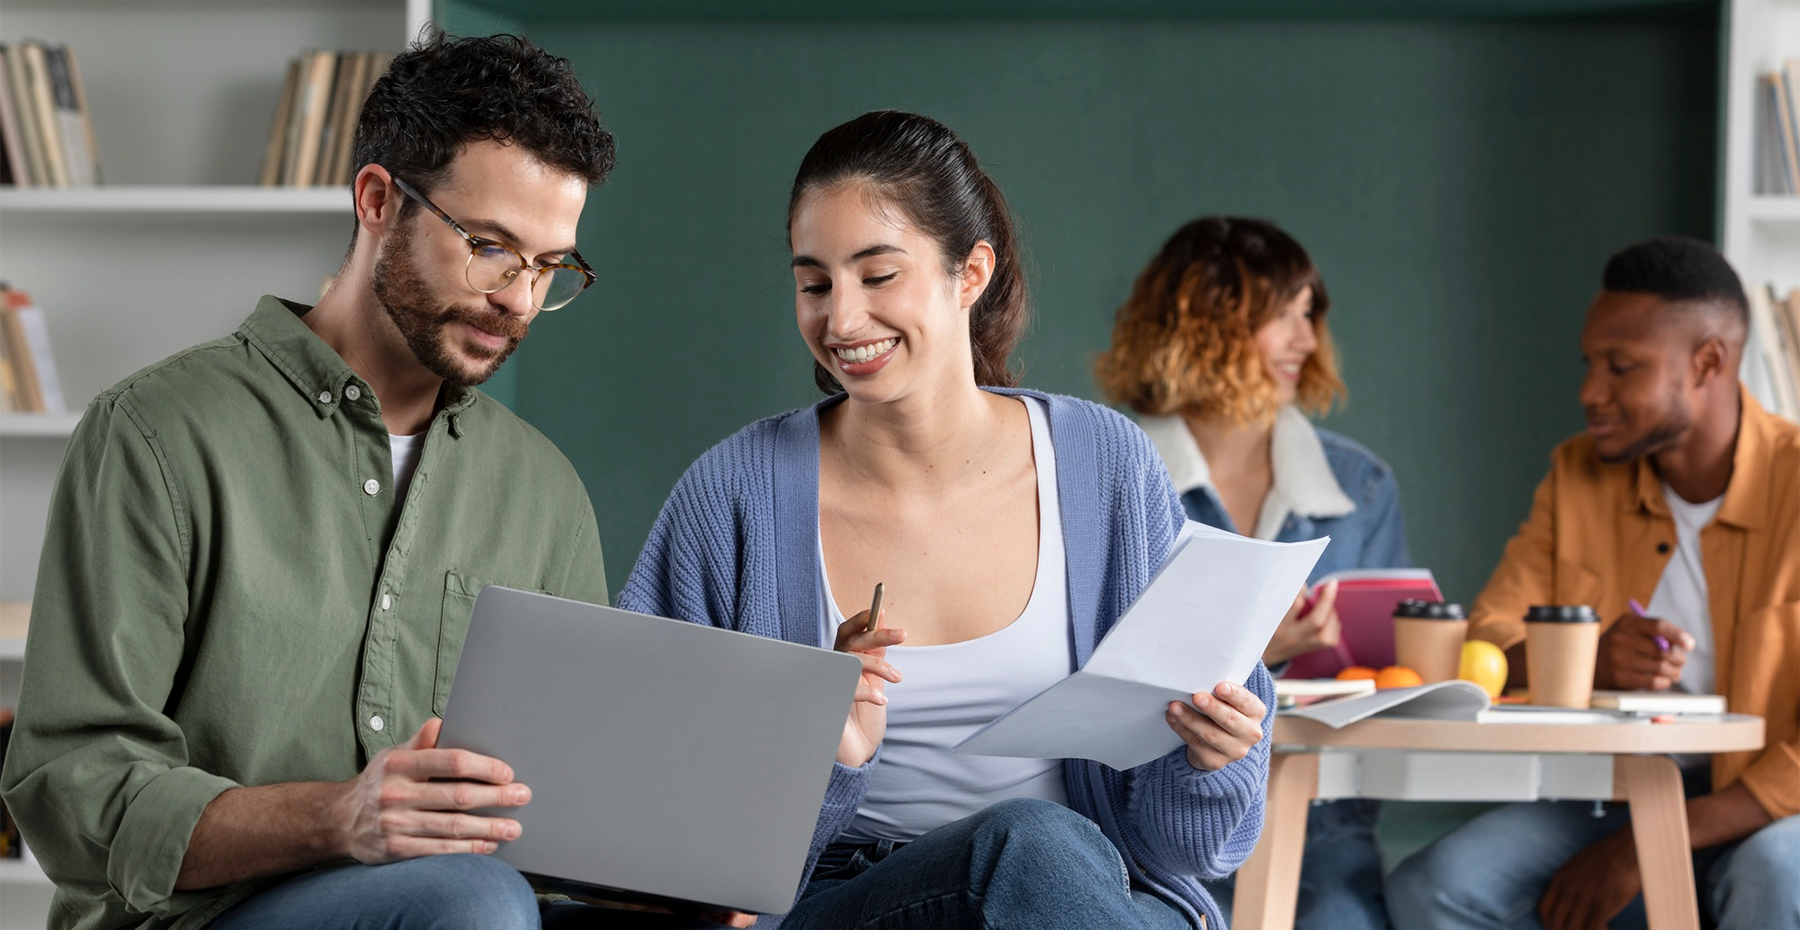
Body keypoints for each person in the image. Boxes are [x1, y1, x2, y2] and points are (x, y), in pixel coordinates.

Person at [0, 33, 726, 930]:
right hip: (199, 918)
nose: (519, 299)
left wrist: (647, 879)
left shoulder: (544, 491)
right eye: (491, 248)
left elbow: (545, 814)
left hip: (465, 907)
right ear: (379, 200)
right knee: (476, 902)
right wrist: (340, 817)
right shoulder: (157, 434)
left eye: (548, 267)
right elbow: (72, 787)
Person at [618, 110, 1273, 930]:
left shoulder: (1106, 466)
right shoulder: (732, 498)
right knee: (1023, 843)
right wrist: (821, 752)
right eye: (815, 283)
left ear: (972, 273)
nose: (841, 320)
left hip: (1081, 892)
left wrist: (1211, 762)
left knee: (1039, 850)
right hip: (832, 906)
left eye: (878, 275)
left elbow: (1191, 853)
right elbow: (647, 830)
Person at [1385, 236, 1800, 930]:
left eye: (1621, 366)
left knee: (1776, 874)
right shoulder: (1576, 473)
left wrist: (1648, 846)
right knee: (1436, 889)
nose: (1589, 391)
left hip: (1770, 802)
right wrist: (1586, 659)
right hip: (1618, 790)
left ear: (1708, 362)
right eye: (1589, 363)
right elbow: (1485, 640)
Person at [1096, 216, 1410, 930]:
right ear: (1203, 322)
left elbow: (1392, 679)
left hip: (1325, 820)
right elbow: (1090, 671)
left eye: (1310, 315)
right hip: (1151, 821)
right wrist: (1254, 657)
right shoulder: (1109, 470)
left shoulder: (1361, 483)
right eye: (1282, 317)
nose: (1307, 341)